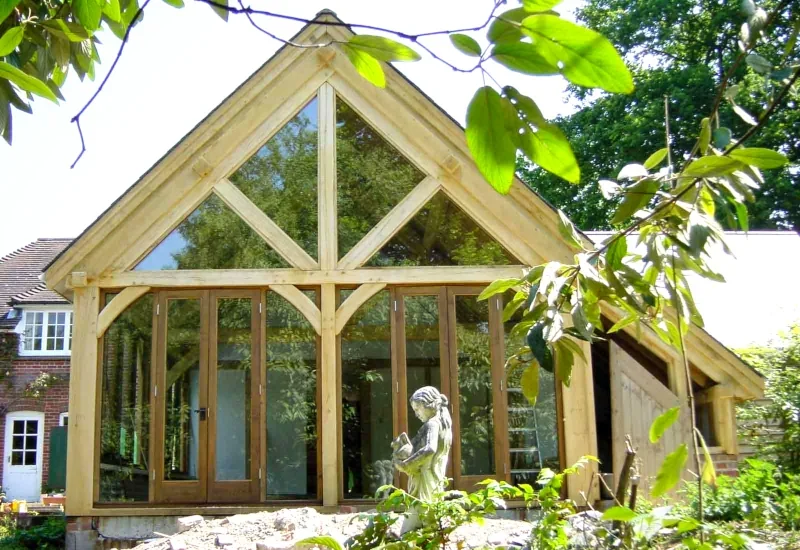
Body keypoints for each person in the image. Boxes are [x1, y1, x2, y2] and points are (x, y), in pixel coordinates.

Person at [394, 386, 452, 502]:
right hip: (431, 473)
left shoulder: (432, 424)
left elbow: (430, 448)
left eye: (417, 409)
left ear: (429, 405)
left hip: (425, 474)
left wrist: (408, 464)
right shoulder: (441, 422)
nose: (416, 414)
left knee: (422, 507)